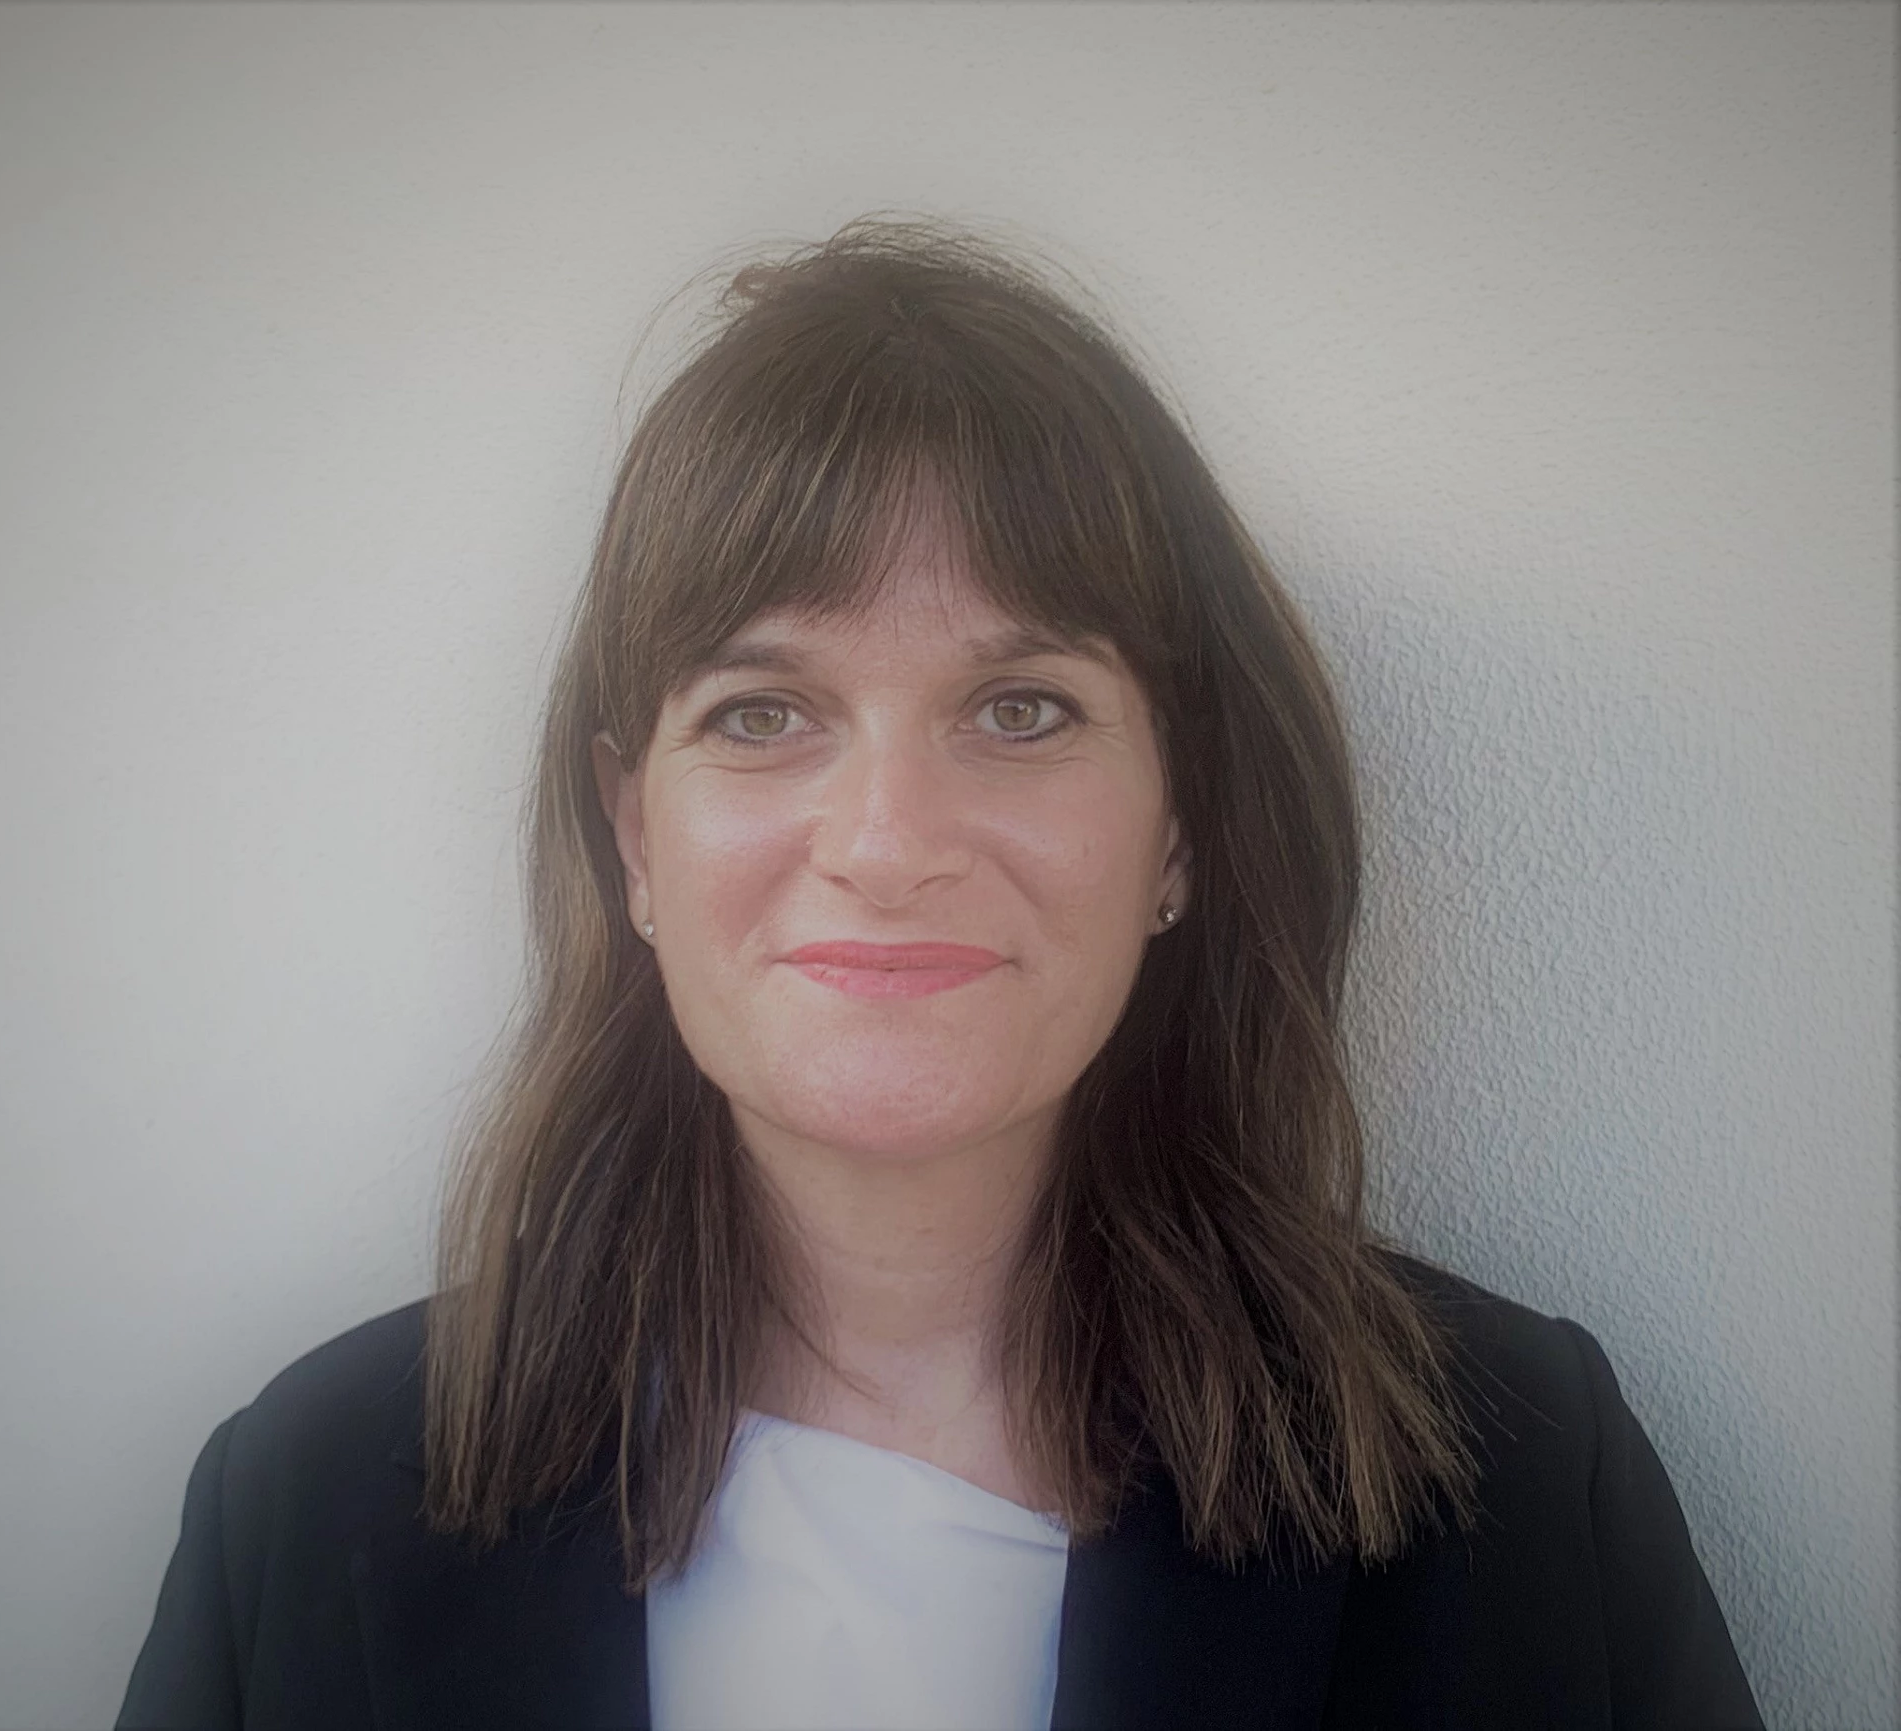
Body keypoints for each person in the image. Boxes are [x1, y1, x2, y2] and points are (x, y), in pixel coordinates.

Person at [116, 216, 1762, 1730]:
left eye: (1021, 709)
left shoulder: (1523, 1485)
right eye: (762, 714)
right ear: (634, 839)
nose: (888, 842)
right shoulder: (303, 1498)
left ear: (1180, 826)